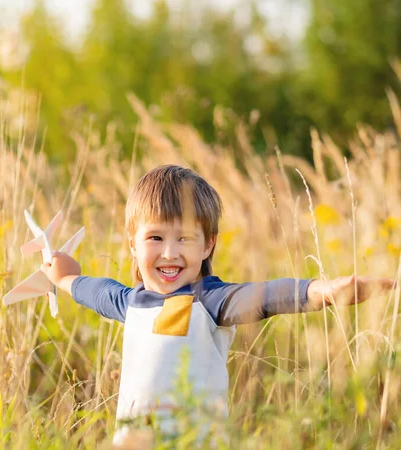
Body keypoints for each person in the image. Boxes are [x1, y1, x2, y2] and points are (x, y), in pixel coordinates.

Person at [40, 164, 395, 445]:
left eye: (185, 238)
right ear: (132, 243)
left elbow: (266, 295)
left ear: (207, 245)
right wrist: (63, 278)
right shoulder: (131, 303)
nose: (169, 252)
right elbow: (96, 291)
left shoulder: (208, 300)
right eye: (155, 237)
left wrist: (321, 291)